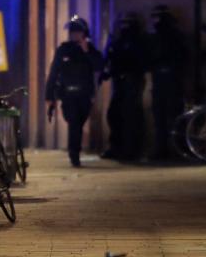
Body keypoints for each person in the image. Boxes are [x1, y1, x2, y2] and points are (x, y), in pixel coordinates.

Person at [45, 16, 104, 167]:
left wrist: (86, 52)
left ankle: (75, 153)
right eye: (72, 31)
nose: (74, 34)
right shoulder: (63, 50)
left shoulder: (90, 50)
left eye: (77, 31)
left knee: (79, 123)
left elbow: (99, 66)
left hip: (84, 95)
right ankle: (74, 155)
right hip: (68, 96)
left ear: (84, 33)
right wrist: (49, 97)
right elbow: (53, 73)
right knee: (74, 124)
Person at [101, 12, 149, 161]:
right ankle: (116, 147)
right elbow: (110, 58)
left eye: (127, 23)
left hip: (132, 80)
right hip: (119, 80)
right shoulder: (118, 40)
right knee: (115, 114)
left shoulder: (138, 41)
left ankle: (131, 149)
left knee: (131, 115)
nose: (124, 27)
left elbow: (138, 60)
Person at [149, 5, 188, 160]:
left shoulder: (173, 36)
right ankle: (164, 149)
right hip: (163, 82)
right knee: (161, 118)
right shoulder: (158, 37)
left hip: (171, 82)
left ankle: (173, 150)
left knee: (171, 118)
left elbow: (182, 57)